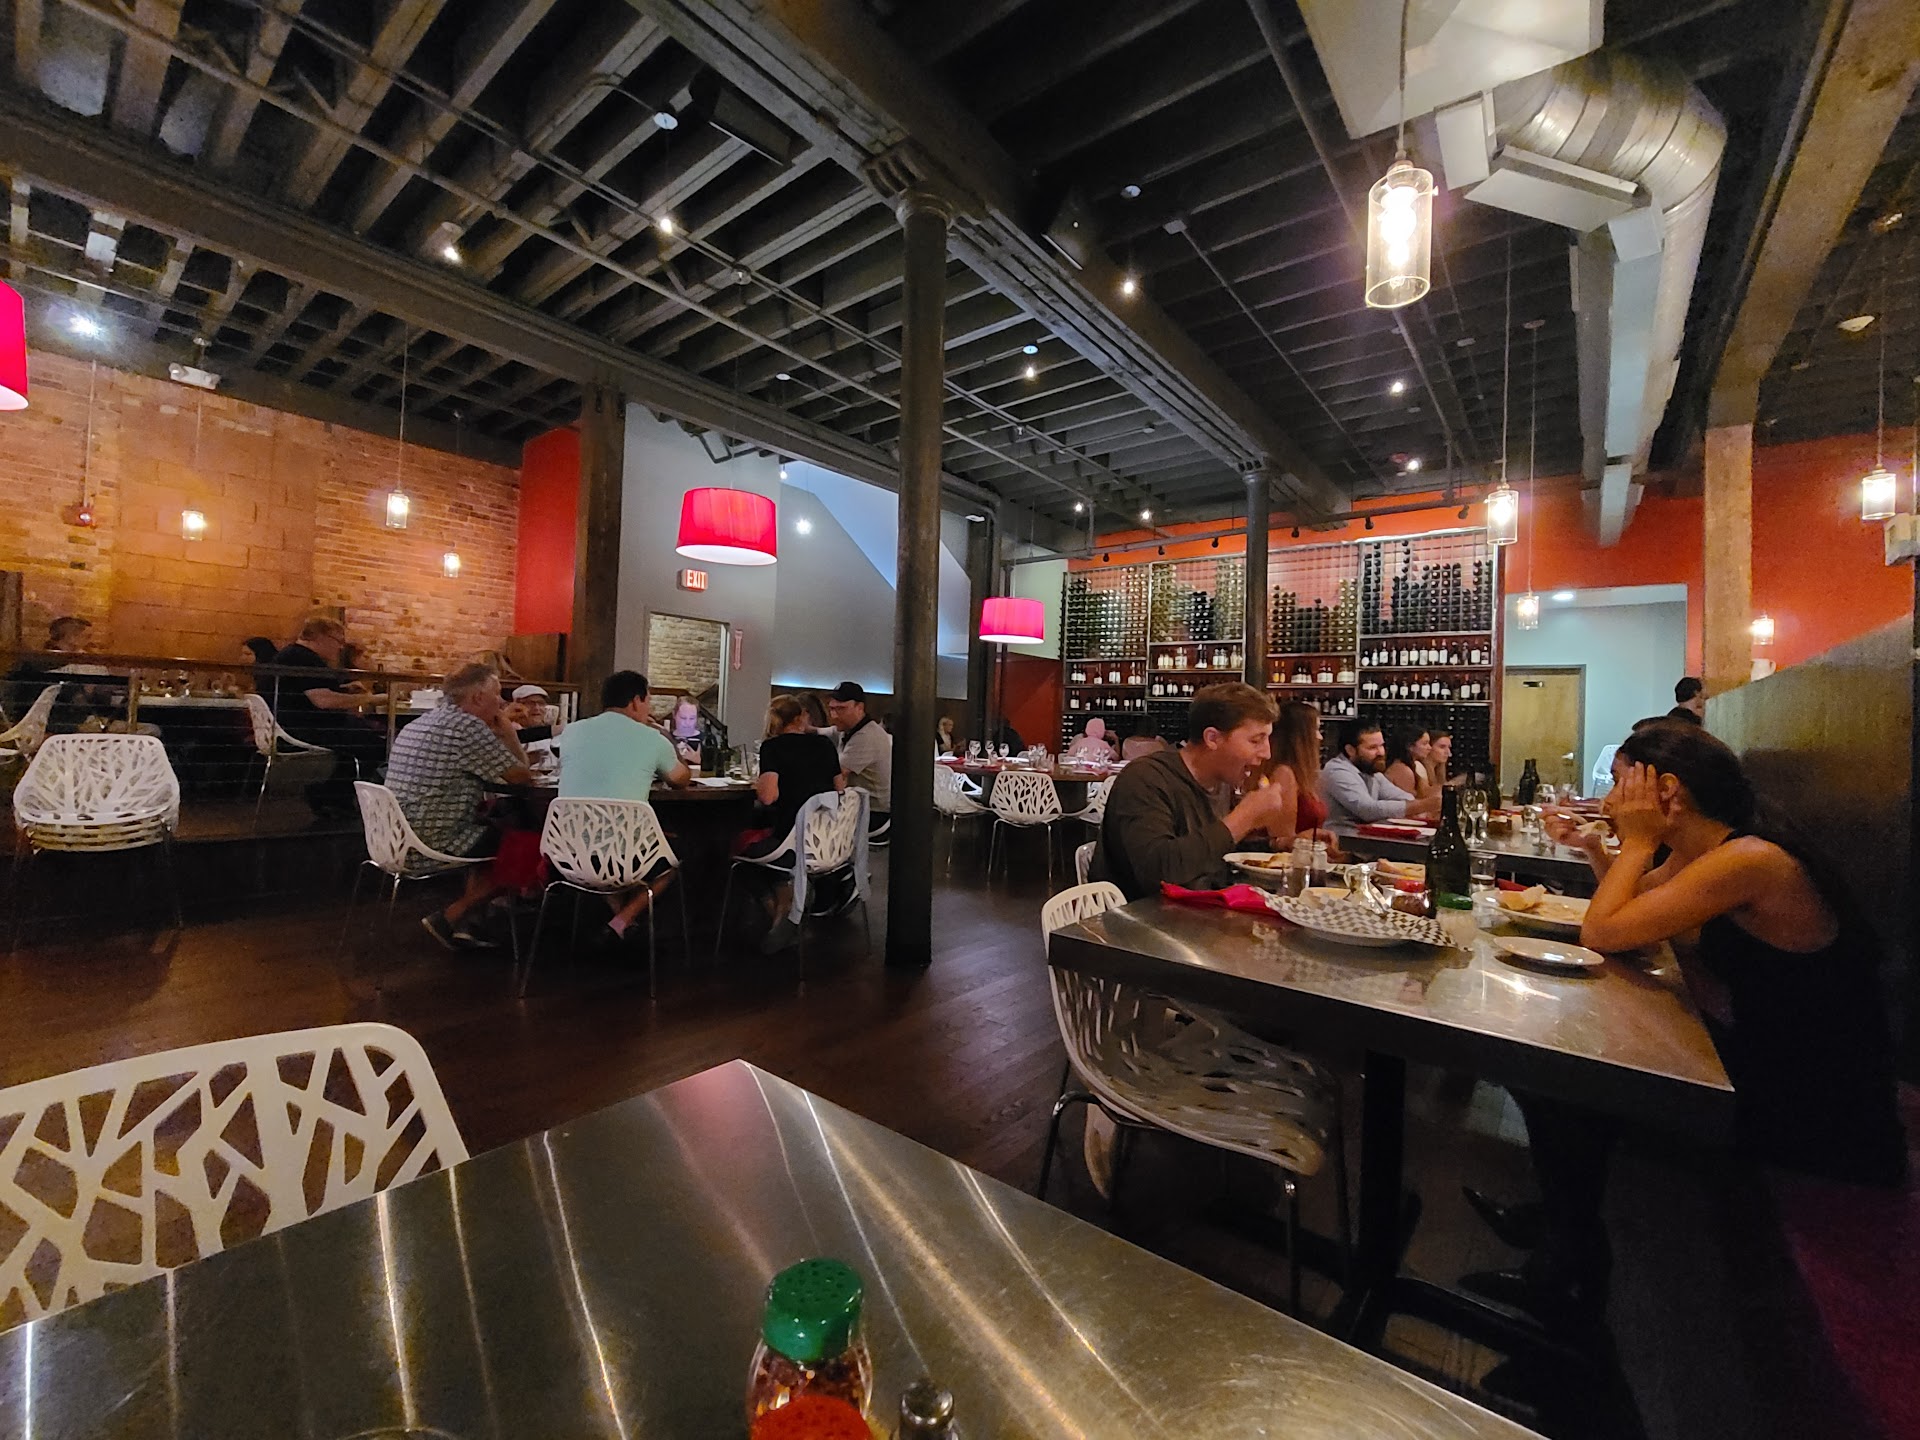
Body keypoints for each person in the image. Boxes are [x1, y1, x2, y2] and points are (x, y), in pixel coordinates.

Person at [1465, 722, 1907, 1330]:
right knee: (1556, 1071)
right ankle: (1560, 1224)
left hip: (1815, 1109)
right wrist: (1599, 849)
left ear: (1666, 791)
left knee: (1562, 1086)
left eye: (1621, 784)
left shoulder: (1750, 860)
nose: (1610, 799)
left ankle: (1570, 1268)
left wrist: (1638, 841)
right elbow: (1634, 910)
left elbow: (1604, 932)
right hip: (1768, 1061)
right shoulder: (1706, 850)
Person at [1091, 682, 1299, 900]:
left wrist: (1277, 845)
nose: (1266, 753)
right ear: (1212, 738)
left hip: (1200, 910)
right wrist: (1244, 818)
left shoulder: (1221, 782)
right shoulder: (1145, 778)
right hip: (1140, 916)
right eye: (1256, 740)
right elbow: (1158, 873)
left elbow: (1212, 849)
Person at [383, 663, 533, 950]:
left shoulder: (423, 721)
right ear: (478, 697)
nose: (501, 702)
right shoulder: (467, 727)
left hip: (395, 836)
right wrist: (509, 734)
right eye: (497, 694)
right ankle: (452, 915)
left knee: (493, 825)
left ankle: (468, 924)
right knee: (528, 843)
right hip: (432, 839)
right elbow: (521, 777)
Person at [555, 670, 693, 942]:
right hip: (625, 855)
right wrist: (664, 735)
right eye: (648, 701)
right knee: (680, 852)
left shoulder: (572, 732)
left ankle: (619, 922)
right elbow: (681, 779)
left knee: (610, 849)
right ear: (636, 701)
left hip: (569, 852)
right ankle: (622, 921)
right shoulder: (651, 738)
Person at [741, 695, 848, 953]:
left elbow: (768, 797)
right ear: (801, 718)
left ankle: (783, 914)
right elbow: (840, 790)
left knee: (743, 855)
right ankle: (787, 917)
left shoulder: (772, 747)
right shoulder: (825, 745)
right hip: (828, 842)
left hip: (790, 841)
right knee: (764, 851)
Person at [269, 616, 390, 815]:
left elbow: (307, 693)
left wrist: (344, 689)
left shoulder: (292, 654)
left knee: (359, 739)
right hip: (305, 726)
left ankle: (332, 796)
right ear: (320, 636)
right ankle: (363, 806)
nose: (340, 647)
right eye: (338, 641)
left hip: (291, 723)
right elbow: (323, 701)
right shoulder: (304, 659)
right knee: (378, 746)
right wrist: (370, 699)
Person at [1319, 719, 1441, 824]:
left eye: (1381, 745)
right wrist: (1422, 805)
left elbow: (1401, 796)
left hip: (1365, 838)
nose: (1381, 752)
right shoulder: (1337, 771)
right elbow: (1367, 810)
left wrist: (1422, 806)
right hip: (1342, 839)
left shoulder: (1371, 770)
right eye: (1372, 747)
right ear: (1350, 750)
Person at [826, 681, 892, 844]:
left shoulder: (866, 736)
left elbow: (835, 774)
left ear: (859, 707)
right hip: (861, 808)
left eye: (841, 709)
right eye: (832, 709)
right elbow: (827, 731)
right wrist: (807, 729)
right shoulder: (851, 728)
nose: (834, 715)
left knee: (809, 820)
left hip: (874, 815)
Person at [1263, 699, 1329, 845]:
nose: (1320, 737)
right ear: (1300, 736)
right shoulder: (1284, 773)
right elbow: (1281, 839)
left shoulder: (1302, 775)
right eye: (1316, 729)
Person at [1382, 726, 1435, 799]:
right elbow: (1408, 803)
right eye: (1425, 743)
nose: (1429, 748)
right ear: (1410, 746)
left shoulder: (1408, 767)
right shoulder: (1402, 770)